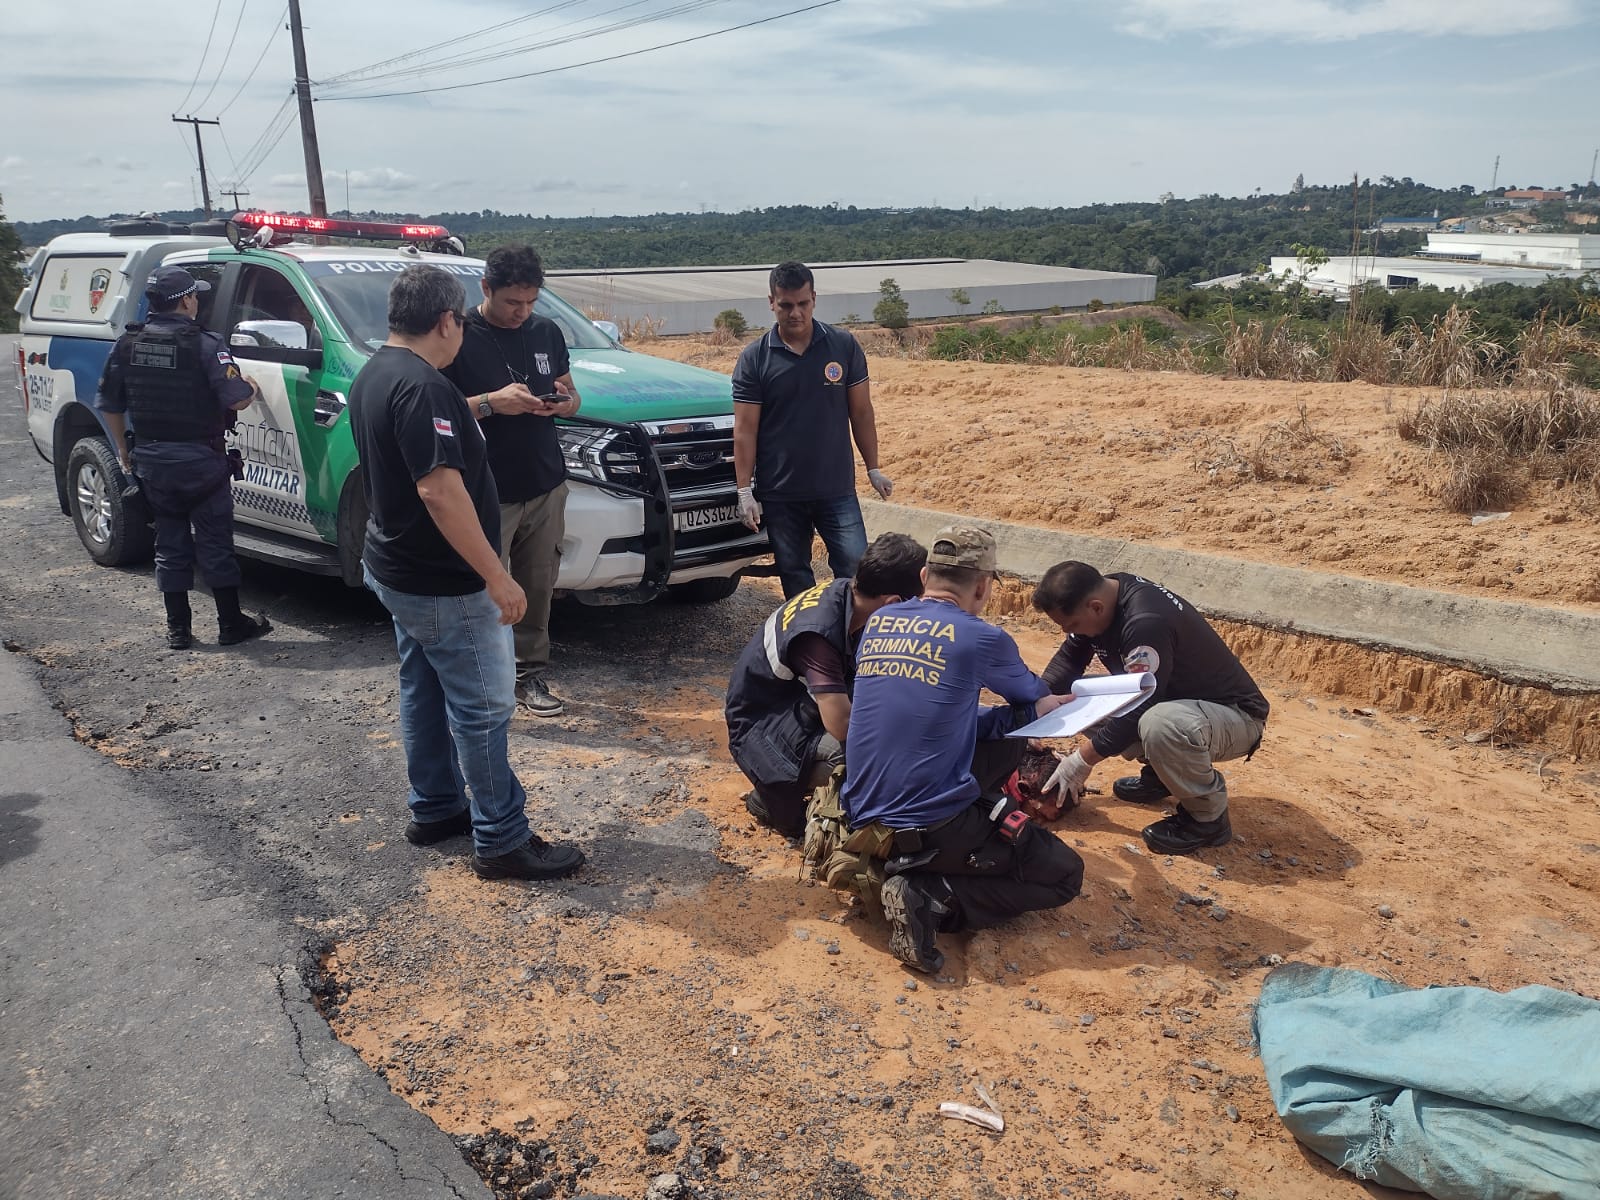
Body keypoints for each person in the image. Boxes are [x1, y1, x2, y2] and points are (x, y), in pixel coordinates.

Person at [349, 263, 583, 883]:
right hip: (443, 580)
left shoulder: (376, 371)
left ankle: (435, 807)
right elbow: (440, 492)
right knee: (482, 707)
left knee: (423, 689)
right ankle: (502, 837)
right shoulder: (424, 387)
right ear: (449, 320)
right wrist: (496, 578)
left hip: (398, 568)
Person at [840, 526, 1085, 974]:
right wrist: (1039, 709)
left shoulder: (879, 621)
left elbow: (933, 714)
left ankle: (920, 859)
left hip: (859, 809)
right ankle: (935, 894)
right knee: (1065, 874)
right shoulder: (983, 638)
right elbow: (1032, 698)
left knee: (1001, 735)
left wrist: (1011, 718)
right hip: (923, 824)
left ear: (923, 575)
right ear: (983, 585)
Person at [1032, 562, 1270, 856]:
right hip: (1178, 704)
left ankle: (1207, 818)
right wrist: (1035, 709)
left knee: (1161, 725)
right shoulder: (1106, 596)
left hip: (1235, 716)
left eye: (1071, 626)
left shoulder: (1145, 621)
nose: (1068, 632)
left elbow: (1142, 703)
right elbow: (1068, 663)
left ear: (1095, 608)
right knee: (1079, 698)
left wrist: (1082, 760)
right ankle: (1164, 774)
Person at [96, 265, 272, 650]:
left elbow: (109, 402)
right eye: (196, 296)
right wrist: (254, 385)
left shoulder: (128, 344)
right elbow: (237, 397)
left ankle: (179, 630)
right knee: (215, 545)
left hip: (152, 462)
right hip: (201, 464)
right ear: (187, 300)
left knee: (169, 545)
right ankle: (230, 625)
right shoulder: (206, 344)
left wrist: (124, 450)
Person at [442, 244, 579, 718]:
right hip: (485, 491)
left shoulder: (545, 330)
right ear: (485, 289)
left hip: (544, 482)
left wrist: (565, 403)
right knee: (483, 592)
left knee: (537, 585)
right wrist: (491, 402)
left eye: (530, 303)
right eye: (511, 303)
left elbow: (571, 392)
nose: (522, 313)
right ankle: (482, 683)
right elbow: (434, 409)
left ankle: (529, 674)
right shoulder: (455, 336)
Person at [725, 532, 928, 837]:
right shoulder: (819, 634)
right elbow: (843, 725)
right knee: (865, 756)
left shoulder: (849, 597)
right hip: (760, 729)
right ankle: (777, 797)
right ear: (893, 603)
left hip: (789, 708)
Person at [731, 261, 893, 598]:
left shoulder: (842, 346)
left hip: (835, 488)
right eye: (786, 305)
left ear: (814, 299)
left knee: (854, 569)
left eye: (802, 304)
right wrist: (744, 489)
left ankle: (850, 642)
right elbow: (745, 429)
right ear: (771, 302)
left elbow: (861, 412)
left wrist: (873, 466)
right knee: (795, 575)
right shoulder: (755, 358)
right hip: (781, 493)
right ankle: (805, 644)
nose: (795, 313)